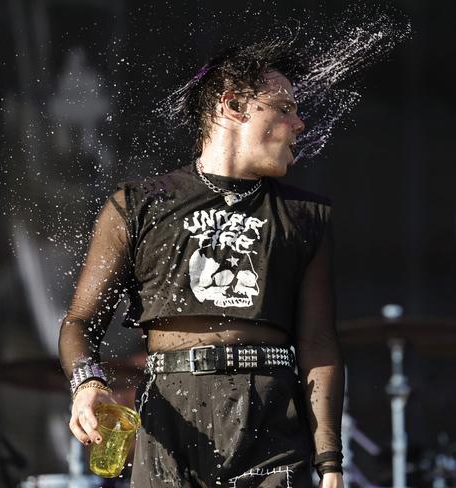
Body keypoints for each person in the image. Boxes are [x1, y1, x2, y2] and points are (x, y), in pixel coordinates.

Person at [59, 42, 345, 488]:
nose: (299, 122)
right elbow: (80, 321)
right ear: (232, 105)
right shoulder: (138, 204)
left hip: (270, 421)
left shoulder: (306, 216)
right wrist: (86, 384)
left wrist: (331, 465)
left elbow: (319, 345)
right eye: (284, 107)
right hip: (169, 419)